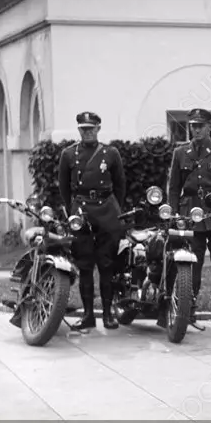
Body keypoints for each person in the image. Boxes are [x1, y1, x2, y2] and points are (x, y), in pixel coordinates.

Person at [166, 107, 211, 325]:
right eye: (193, 126)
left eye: (200, 126)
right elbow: (173, 188)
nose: (196, 130)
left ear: (210, 127)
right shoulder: (180, 153)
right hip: (190, 213)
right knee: (193, 263)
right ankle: (189, 311)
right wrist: (173, 214)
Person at [57, 111, 126, 330]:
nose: (87, 132)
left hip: (106, 210)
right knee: (85, 265)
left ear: (98, 129)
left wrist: (116, 211)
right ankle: (88, 315)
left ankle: (107, 315)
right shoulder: (69, 154)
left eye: (91, 128)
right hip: (82, 211)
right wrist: (73, 212)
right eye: (83, 129)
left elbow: (120, 185)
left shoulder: (111, 153)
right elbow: (64, 188)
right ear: (79, 130)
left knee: (107, 265)